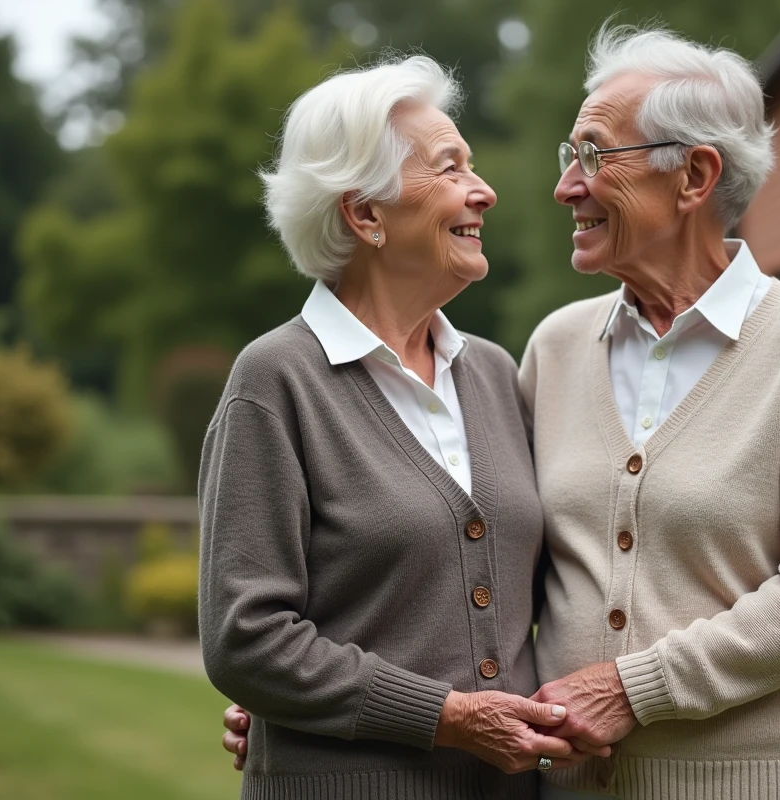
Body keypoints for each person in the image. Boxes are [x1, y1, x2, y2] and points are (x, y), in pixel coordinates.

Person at [223, 24, 780, 800]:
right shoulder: (556, 348)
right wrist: (306, 696)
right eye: (570, 156)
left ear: (694, 176)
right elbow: (488, 565)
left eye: (595, 156)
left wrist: (633, 689)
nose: (566, 186)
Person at [198, 55, 602, 800]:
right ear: (365, 214)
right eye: (451, 168)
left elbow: (547, 585)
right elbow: (245, 638)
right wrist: (449, 718)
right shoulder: (276, 380)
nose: (484, 190)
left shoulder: (491, 371)